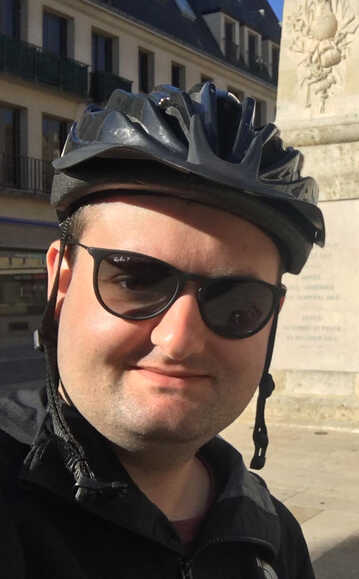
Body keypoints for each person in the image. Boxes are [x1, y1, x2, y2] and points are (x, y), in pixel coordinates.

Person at [0, 83, 325, 578]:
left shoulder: (273, 538)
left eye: (238, 303)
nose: (179, 340)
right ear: (60, 284)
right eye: (134, 279)